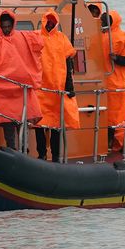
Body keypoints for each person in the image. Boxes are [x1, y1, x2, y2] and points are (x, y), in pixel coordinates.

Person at [0, 10, 44, 150]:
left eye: (9, 26)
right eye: (4, 26)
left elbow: (38, 42)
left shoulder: (23, 37)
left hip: (21, 91)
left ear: (13, 24)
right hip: (4, 93)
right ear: (0, 26)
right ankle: (12, 150)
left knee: (23, 123)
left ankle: (24, 150)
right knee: (8, 125)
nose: (7, 29)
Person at [35, 10, 77, 162]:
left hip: (58, 90)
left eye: (52, 22)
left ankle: (56, 155)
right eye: (48, 21)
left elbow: (68, 62)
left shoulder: (62, 39)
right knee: (39, 125)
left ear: (56, 23)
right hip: (41, 89)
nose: (50, 24)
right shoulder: (36, 37)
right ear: (44, 21)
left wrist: (69, 87)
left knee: (56, 126)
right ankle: (41, 154)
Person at [101, 10, 125, 147]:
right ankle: (107, 142)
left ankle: (113, 143)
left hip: (116, 82)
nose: (103, 23)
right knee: (104, 115)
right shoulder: (100, 35)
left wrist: (117, 59)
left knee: (115, 117)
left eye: (106, 21)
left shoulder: (121, 37)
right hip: (102, 82)